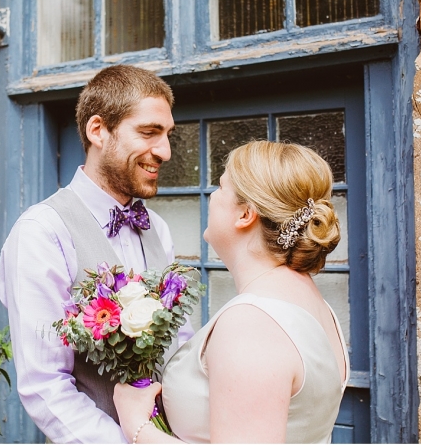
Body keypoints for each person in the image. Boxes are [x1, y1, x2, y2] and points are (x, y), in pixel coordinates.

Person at [0, 64, 195, 443]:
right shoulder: (42, 232)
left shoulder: (158, 229)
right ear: (98, 130)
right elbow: (45, 385)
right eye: (149, 133)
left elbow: (179, 349)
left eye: (168, 135)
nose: (165, 151)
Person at [114, 140, 349, 444]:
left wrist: (137, 426)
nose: (212, 197)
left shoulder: (253, 324)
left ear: (245, 215)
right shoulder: (312, 302)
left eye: (221, 187)